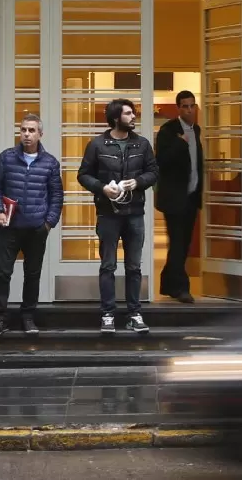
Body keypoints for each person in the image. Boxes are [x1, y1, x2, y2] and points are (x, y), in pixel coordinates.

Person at [77, 98, 159, 335]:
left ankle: (134, 313)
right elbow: (83, 175)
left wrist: (139, 181)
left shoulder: (142, 145)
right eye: (128, 114)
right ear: (115, 118)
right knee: (108, 265)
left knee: (134, 267)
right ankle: (108, 314)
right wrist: (102, 188)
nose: (133, 117)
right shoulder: (97, 145)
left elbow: (153, 172)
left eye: (133, 113)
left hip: (134, 213)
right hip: (108, 213)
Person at [0, 114, 63, 337]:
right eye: (23, 130)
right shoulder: (7, 158)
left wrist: (49, 223)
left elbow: (57, 195)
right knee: (2, 273)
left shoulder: (50, 162)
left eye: (31, 130)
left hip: (37, 228)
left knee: (32, 273)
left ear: (40, 134)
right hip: (10, 226)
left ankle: (28, 316)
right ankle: (0, 318)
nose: (26, 134)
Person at [155, 90, 203, 303]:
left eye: (192, 105)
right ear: (178, 108)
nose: (189, 110)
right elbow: (161, 161)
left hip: (191, 197)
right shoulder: (168, 130)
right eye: (185, 106)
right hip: (173, 198)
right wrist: (180, 143)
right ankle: (181, 288)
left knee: (182, 243)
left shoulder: (196, 130)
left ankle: (168, 283)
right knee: (178, 242)